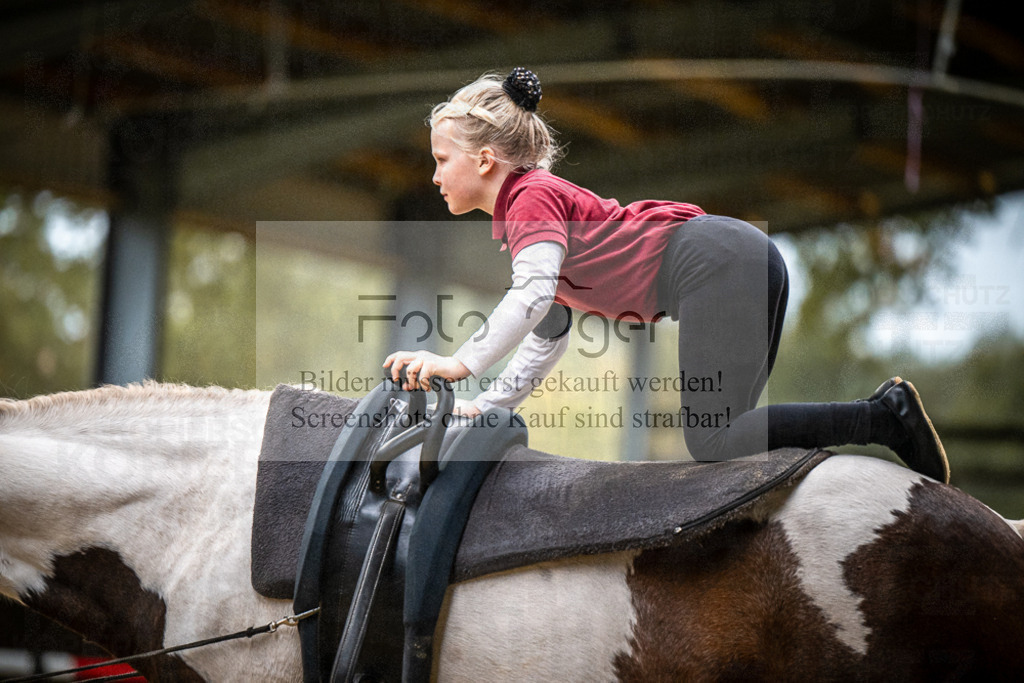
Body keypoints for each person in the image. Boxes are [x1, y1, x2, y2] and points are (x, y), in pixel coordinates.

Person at [383, 67, 949, 483]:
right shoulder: (533, 207)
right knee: (734, 443)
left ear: (484, 160)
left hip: (718, 264)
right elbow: (547, 331)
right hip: (740, 258)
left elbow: (529, 297)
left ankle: (882, 418)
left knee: (713, 440)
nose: (434, 176)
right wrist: (491, 405)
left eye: (440, 159)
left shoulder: (529, 198)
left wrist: (459, 364)